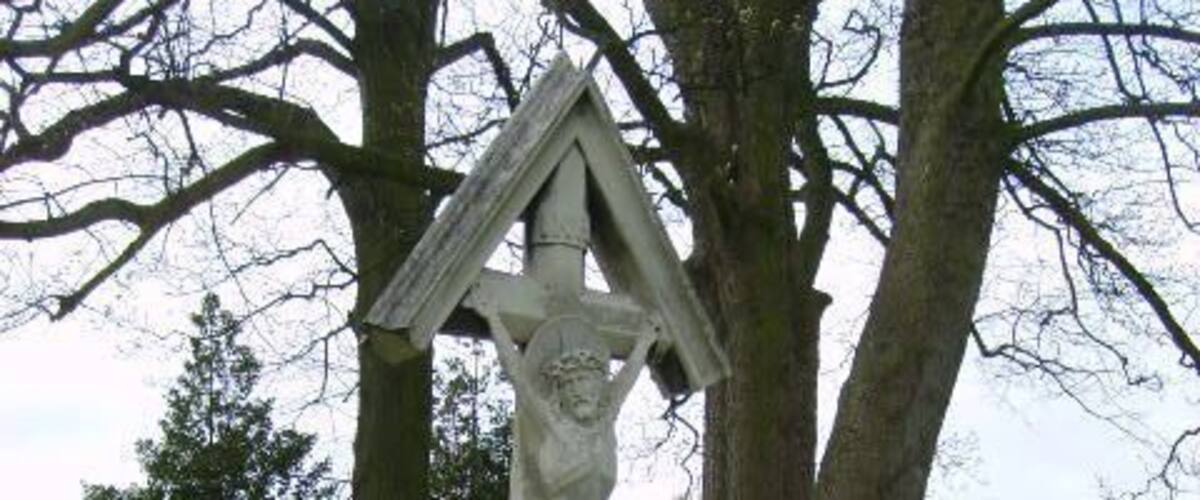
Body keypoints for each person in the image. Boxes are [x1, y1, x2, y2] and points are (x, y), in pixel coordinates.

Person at [475, 301, 656, 500]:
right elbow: (517, 374)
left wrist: (645, 342)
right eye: (568, 384)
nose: (577, 391)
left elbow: (626, 379)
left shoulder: (605, 419)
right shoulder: (553, 424)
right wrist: (493, 318)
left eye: (583, 380)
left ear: (598, 388)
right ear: (559, 396)